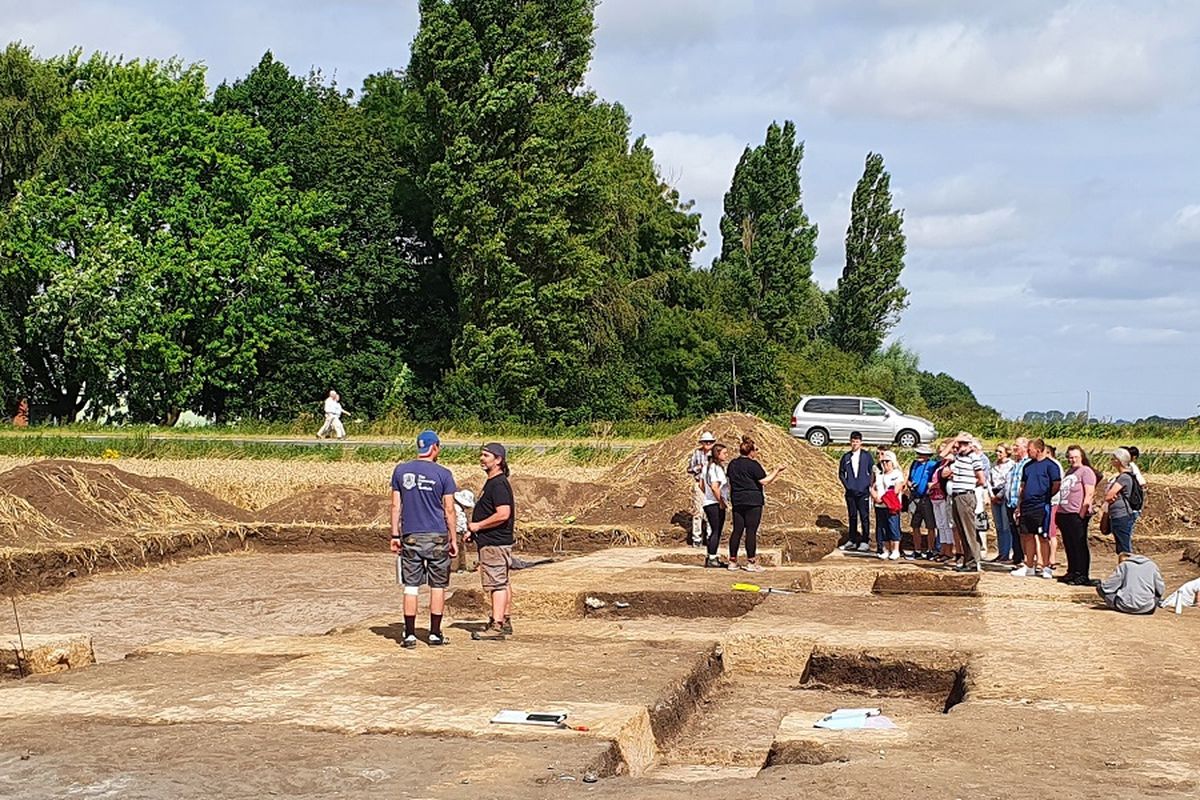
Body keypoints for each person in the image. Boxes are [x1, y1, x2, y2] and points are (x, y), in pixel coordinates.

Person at [390, 430, 458, 647]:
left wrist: (395, 534)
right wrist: (453, 539)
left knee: (411, 586)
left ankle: (409, 634)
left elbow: (395, 506)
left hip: (410, 535)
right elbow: (449, 510)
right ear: (435, 447)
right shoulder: (444, 474)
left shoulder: (400, 471)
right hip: (437, 535)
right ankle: (435, 633)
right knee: (437, 586)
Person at [467, 443, 516, 641]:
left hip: (494, 543)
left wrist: (478, 526)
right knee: (502, 581)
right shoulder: (494, 482)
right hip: (493, 541)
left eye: (486, 455)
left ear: (498, 460)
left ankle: (497, 625)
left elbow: (503, 514)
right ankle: (504, 619)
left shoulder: (498, 484)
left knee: (496, 584)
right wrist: (475, 530)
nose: (482, 458)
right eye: (481, 454)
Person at [727, 436, 785, 572]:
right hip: (753, 500)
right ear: (751, 452)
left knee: (737, 531)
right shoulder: (753, 465)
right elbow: (764, 481)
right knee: (751, 531)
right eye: (756, 450)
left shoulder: (732, 464)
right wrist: (777, 470)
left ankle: (732, 561)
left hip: (737, 499)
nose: (757, 452)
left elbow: (729, 480)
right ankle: (751, 562)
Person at [1013, 438, 1061, 578]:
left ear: (1038, 450)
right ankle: (1029, 566)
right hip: (1027, 506)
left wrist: (1046, 496)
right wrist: (1020, 504)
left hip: (1041, 506)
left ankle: (1046, 567)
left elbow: (1056, 484)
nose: (1028, 452)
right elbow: (1023, 486)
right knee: (1027, 535)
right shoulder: (1027, 466)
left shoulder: (1051, 466)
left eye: (1030, 450)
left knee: (1042, 537)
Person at [943, 433, 987, 573]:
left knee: (969, 530)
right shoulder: (958, 457)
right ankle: (968, 560)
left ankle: (973, 561)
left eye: (963, 443)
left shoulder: (974, 457)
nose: (960, 446)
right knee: (962, 530)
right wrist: (954, 440)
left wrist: (969, 485)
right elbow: (943, 454)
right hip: (957, 495)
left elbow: (981, 479)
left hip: (965, 495)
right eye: (959, 443)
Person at [1056, 445, 1097, 586]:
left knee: (1079, 544)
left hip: (1076, 513)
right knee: (1069, 544)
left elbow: (1089, 493)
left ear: (1081, 457)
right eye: (1070, 457)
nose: (1072, 460)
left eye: (1075, 457)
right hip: (1064, 512)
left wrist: (1082, 512)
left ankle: (1082, 574)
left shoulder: (1086, 471)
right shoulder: (1069, 472)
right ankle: (1072, 571)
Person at [838, 431, 874, 553]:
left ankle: (865, 540)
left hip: (863, 492)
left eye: (857, 441)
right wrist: (848, 486)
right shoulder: (846, 457)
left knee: (864, 516)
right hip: (851, 493)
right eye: (853, 441)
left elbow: (872, 471)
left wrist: (868, 485)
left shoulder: (867, 456)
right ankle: (852, 540)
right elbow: (841, 473)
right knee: (852, 516)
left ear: (861, 442)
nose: (855, 444)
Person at [1097, 553, 1164, 614]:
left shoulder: (1124, 565)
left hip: (1124, 606)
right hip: (1148, 608)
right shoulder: (1152, 565)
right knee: (1157, 594)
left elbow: (1107, 587)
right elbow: (1160, 589)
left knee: (1100, 587)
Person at [1101, 448, 1138, 555]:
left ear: (1119, 460)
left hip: (1122, 515)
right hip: (1117, 515)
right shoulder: (1121, 477)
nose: (1111, 461)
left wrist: (1110, 497)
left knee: (1124, 547)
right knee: (1120, 546)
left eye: (1113, 458)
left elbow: (1109, 495)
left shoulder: (1124, 477)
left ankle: (1127, 564)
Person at [906, 445, 939, 559]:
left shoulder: (932, 465)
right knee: (915, 525)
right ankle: (917, 550)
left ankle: (930, 550)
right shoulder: (914, 464)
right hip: (915, 497)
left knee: (930, 525)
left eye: (921, 454)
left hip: (927, 498)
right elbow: (909, 478)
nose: (918, 456)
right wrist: (909, 484)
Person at [701, 443, 730, 568]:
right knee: (716, 531)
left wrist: (707, 495)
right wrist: (721, 501)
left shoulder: (706, 467)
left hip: (708, 502)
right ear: (717, 454)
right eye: (724, 453)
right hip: (714, 503)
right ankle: (712, 558)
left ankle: (711, 556)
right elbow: (714, 487)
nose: (726, 455)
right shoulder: (716, 468)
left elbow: (701, 485)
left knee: (714, 530)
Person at [871, 451, 904, 561]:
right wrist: (875, 496)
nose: (884, 463)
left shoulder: (897, 474)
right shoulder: (879, 475)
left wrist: (883, 499)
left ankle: (895, 550)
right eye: (883, 462)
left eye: (887, 461)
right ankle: (885, 549)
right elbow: (872, 487)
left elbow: (896, 489)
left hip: (891, 506)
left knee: (893, 527)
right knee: (883, 528)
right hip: (880, 506)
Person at [687, 432, 717, 547]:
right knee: (698, 511)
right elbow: (689, 469)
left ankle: (710, 537)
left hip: (711, 485)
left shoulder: (715, 454)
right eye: (706, 442)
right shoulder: (697, 453)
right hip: (699, 484)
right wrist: (699, 468)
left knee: (711, 511)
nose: (708, 444)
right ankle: (697, 538)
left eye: (710, 442)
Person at [1005, 437, 1030, 565]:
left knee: (1023, 533)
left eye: (1017, 446)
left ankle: (1026, 559)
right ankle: (1017, 558)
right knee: (1014, 532)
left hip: (1020, 503)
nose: (1014, 448)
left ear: (1025, 448)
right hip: (1011, 502)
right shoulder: (1015, 464)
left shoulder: (1028, 463)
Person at [929, 438, 956, 563]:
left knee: (946, 525)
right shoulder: (940, 464)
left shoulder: (951, 462)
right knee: (940, 525)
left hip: (943, 495)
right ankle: (943, 550)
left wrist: (934, 485)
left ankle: (949, 551)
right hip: (935, 497)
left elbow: (943, 477)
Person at [988, 445, 1016, 563]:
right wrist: (991, 495)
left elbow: (1008, 482)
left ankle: (1007, 553)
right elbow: (988, 481)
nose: (997, 453)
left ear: (1006, 452)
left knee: (1006, 526)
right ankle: (1001, 552)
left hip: (1004, 496)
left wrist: (1000, 495)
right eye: (996, 451)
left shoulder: (1011, 465)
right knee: (999, 526)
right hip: (994, 495)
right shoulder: (993, 465)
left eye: (1000, 451)